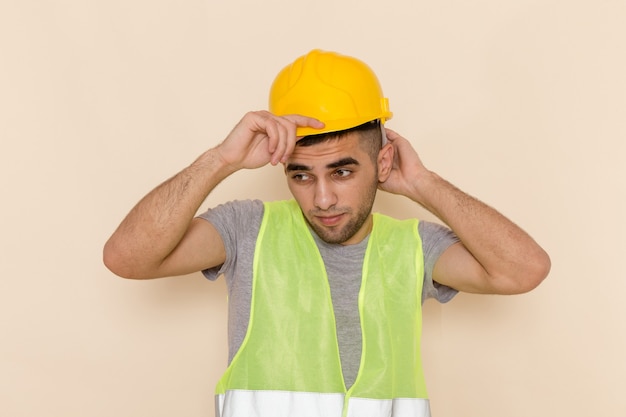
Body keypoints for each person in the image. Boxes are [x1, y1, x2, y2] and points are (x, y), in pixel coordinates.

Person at [103, 49, 550, 417]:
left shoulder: (415, 248)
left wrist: (422, 183)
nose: (322, 199)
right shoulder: (246, 230)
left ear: (383, 163)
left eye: (342, 171)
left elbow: (524, 270)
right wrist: (221, 159)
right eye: (300, 175)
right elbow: (126, 258)